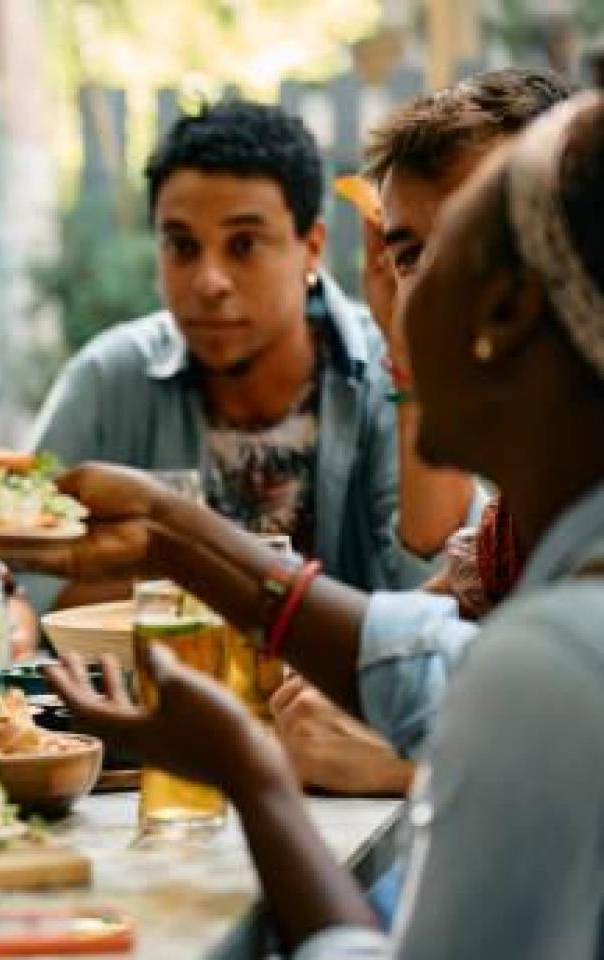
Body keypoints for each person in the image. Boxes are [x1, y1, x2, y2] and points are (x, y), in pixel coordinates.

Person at [32, 92, 604, 957]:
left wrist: (250, 777)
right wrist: (173, 532)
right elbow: (432, 659)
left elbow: (479, 683)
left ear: (509, 307)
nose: (386, 304)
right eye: (394, 254)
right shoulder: (539, 573)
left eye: (423, 258)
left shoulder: (554, 663)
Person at [271, 67, 577, 798]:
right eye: (409, 256)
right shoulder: (518, 522)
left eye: (479, 238)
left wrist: (420, 763)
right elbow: (408, 636)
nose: (429, 293)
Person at [25, 100, 453, 615]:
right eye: (182, 246)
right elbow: (33, 581)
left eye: (244, 245)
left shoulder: (394, 371)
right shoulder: (107, 378)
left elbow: (437, 589)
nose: (209, 282)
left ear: (312, 246)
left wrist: (417, 369)